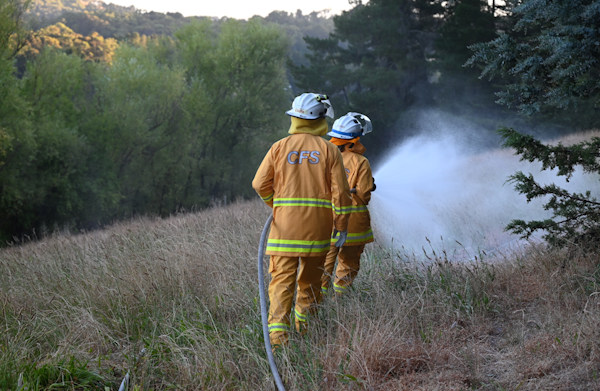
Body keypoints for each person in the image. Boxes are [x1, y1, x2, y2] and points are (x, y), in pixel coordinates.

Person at [252, 92, 352, 348]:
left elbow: (259, 184)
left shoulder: (279, 147)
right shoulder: (330, 151)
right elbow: (341, 194)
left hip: (284, 230)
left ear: (295, 118)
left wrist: (277, 206)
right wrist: (341, 227)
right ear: (320, 119)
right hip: (317, 232)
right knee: (311, 282)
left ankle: (278, 341)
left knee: (281, 283)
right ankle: (306, 332)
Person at [321, 112, 375, 295]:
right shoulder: (361, 162)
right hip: (354, 223)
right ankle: (340, 296)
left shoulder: (326, 158)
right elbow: (364, 194)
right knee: (348, 263)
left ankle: (316, 300)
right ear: (355, 138)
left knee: (324, 263)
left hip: (329, 219)